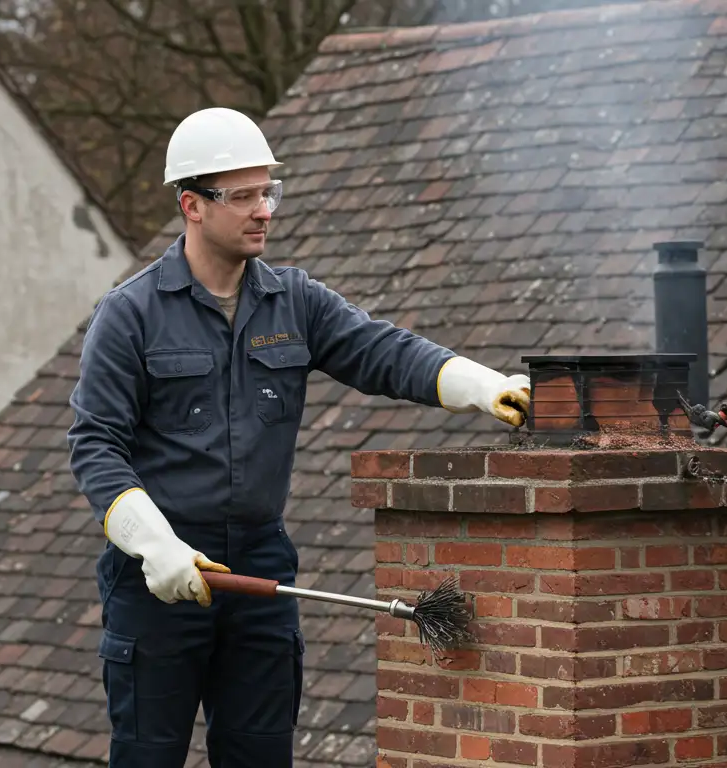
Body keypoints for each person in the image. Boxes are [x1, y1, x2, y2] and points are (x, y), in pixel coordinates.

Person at [66, 106, 532, 768]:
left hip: (259, 569)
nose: (264, 211)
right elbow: (95, 448)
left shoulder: (296, 302)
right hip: (155, 580)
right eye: (245, 196)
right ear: (191, 204)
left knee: (261, 756)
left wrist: (483, 386)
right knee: (147, 756)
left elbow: (385, 351)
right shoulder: (129, 315)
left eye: (269, 192)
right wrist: (154, 545)